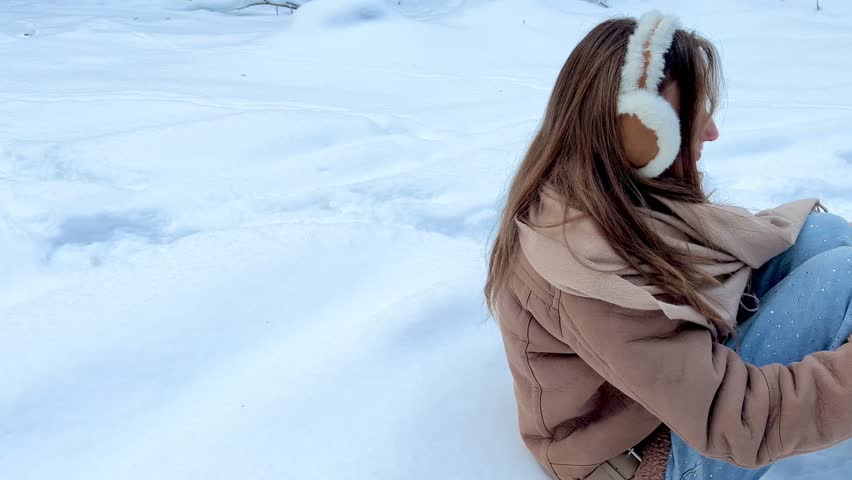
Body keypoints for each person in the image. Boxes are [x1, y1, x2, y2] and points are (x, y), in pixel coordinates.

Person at [484, 11, 852, 480]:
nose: (711, 131)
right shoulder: (586, 267)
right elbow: (743, 422)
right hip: (642, 455)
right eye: (693, 115)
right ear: (642, 134)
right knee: (840, 275)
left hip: (664, 394)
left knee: (825, 236)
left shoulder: (609, 191)